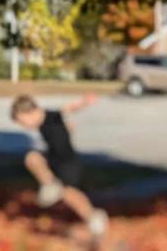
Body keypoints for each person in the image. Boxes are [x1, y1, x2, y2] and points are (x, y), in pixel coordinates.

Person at [11, 93, 109, 242]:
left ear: (28, 113)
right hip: (54, 159)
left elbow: (68, 108)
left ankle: (93, 218)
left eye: (21, 121)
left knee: (71, 195)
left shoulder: (52, 116)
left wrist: (84, 102)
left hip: (68, 163)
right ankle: (50, 185)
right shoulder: (42, 124)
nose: (23, 126)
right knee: (32, 158)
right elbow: (67, 128)